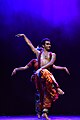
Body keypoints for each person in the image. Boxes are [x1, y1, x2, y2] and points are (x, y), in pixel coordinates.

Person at [14, 34, 70, 120]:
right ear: (43, 45)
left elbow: (51, 64)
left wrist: (40, 69)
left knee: (49, 95)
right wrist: (24, 36)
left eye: (50, 44)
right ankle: (57, 88)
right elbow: (30, 44)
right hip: (39, 77)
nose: (49, 45)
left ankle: (45, 113)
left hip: (47, 76)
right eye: (47, 44)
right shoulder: (38, 54)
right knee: (40, 94)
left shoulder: (53, 54)